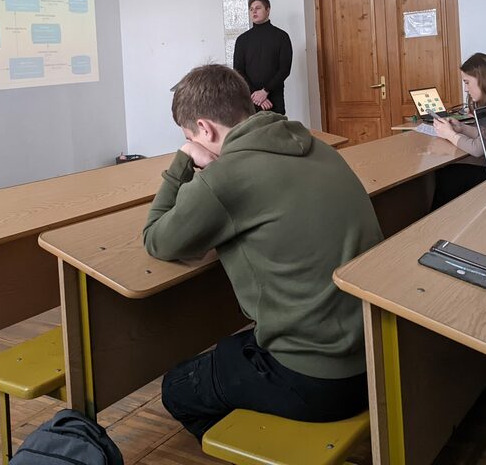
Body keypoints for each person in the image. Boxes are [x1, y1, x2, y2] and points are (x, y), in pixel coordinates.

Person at [143, 64, 382, 441]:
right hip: (375, 352)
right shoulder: (317, 146)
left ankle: (266, 446)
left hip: (318, 379)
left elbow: (157, 238)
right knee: (230, 352)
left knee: (178, 387)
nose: (192, 143)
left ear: (204, 129)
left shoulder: (225, 178)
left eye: (190, 136)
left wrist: (184, 160)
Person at [232, 0, 293, 114]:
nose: (254, 11)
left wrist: (265, 91)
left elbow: (284, 69)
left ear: (268, 10)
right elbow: (238, 71)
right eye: (251, 9)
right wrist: (256, 95)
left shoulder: (281, 36)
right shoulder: (242, 40)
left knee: (276, 125)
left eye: (258, 8)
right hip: (250, 99)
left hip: (274, 98)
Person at [432, 52, 486, 155]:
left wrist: (449, 134)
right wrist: (462, 128)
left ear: (483, 79)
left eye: (467, 82)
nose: (465, 89)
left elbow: (477, 149)